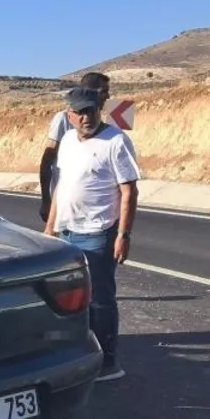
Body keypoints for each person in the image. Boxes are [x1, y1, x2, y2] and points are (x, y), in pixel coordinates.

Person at [43, 86, 140, 381]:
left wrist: (123, 235)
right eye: (80, 112)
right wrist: (50, 227)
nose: (86, 117)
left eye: (91, 110)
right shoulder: (68, 140)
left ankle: (108, 363)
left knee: (100, 300)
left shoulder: (116, 141)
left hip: (97, 234)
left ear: (99, 110)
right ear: (69, 115)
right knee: (67, 298)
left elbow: (129, 191)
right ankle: (78, 354)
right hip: (66, 232)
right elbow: (61, 186)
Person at [39, 72, 112, 221]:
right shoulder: (63, 119)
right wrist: (46, 200)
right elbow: (47, 161)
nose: (108, 96)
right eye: (104, 91)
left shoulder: (100, 123)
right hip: (65, 207)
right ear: (91, 91)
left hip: (94, 211)